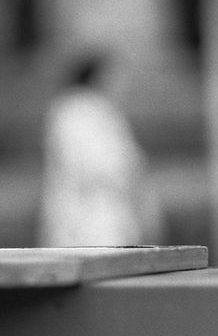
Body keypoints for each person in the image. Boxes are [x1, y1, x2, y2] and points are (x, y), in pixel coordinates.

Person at [37, 52, 164, 248]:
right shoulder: (76, 110)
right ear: (99, 76)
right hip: (90, 217)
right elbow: (102, 165)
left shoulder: (101, 110)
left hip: (109, 212)